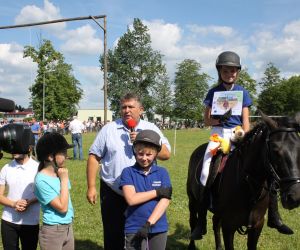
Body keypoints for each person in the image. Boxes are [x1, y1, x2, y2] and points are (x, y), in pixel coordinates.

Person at [191, 51, 292, 239]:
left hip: (238, 135)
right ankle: (201, 221)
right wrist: (219, 119)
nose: (230, 73)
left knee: (266, 167)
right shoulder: (213, 92)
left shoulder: (242, 92)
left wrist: (246, 137)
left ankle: (274, 216)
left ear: (238, 72)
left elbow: (246, 120)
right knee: (206, 171)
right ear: (219, 71)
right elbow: (206, 120)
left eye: (233, 70)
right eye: (226, 70)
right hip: (218, 136)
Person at [86, 93, 171, 250]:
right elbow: (93, 157)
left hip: (144, 192)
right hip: (112, 191)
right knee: (112, 234)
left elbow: (166, 154)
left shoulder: (151, 128)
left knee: (140, 234)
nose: (127, 110)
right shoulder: (108, 129)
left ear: (141, 109)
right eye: (123, 107)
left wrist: (144, 141)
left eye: (131, 107)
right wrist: (91, 186)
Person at [120, 130, 172, 250]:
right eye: (140, 153)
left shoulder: (162, 173)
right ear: (134, 152)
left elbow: (164, 201)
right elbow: (132, 199)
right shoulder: (128, 172)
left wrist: (149, 224)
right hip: (134, 227)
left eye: (148, 155)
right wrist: (157, 192)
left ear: (155, 154)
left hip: (158, 227)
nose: (144, 158)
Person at [34, 132, 75, 250]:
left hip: (67, 227)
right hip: (53, 232)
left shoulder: (60, 173)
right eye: (63, 152)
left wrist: (63, 178)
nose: (66, 156)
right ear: (50, 157)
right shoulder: (41, 180)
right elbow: (62, 208)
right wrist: (64, 180)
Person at [0, 135, 40, 250]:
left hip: (31, 222)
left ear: (29, 148)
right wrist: (13, 204)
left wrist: (29, 202)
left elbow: (44, 194)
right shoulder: (6, 168)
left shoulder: (38, 168)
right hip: (8, 221)